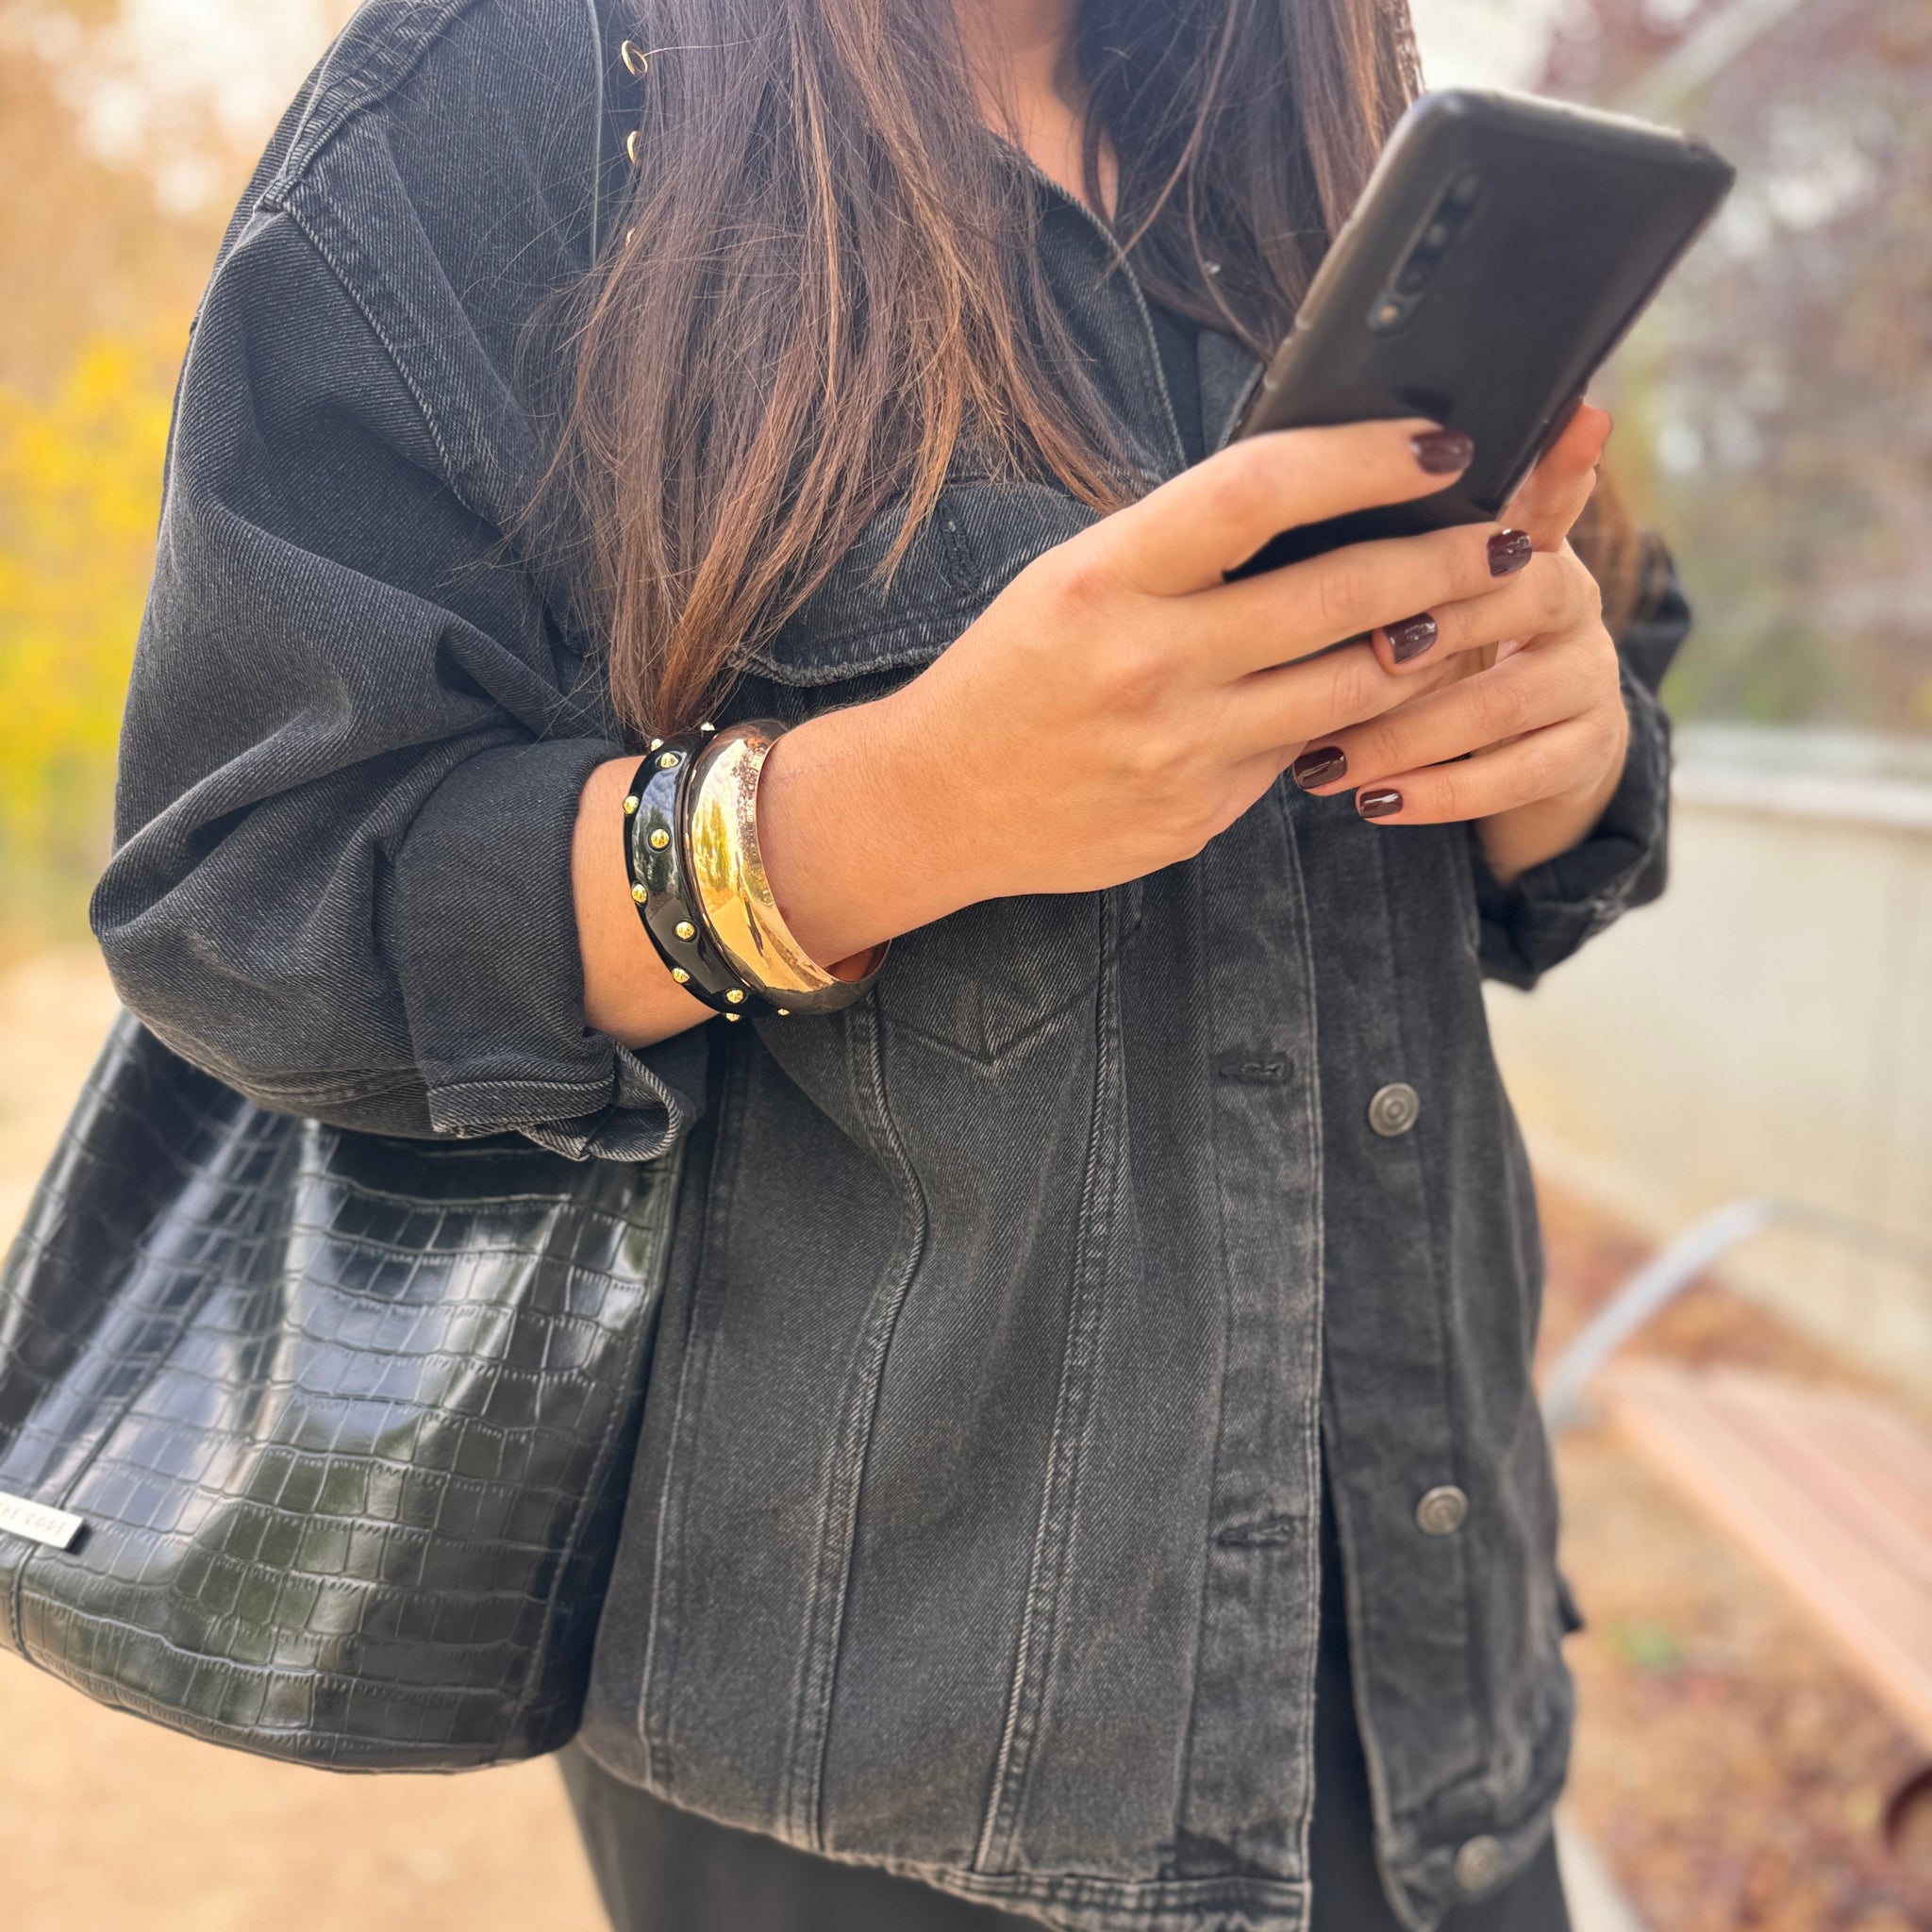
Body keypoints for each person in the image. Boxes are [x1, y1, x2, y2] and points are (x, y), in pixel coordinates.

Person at [92, 1, 1690, 1926]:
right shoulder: (526, 95)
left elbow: (1588, 714)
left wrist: (1564, 738)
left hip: (1436, 1688)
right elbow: (251, 893)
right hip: (890, 1784)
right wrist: (897, 807)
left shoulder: (1335, 130)